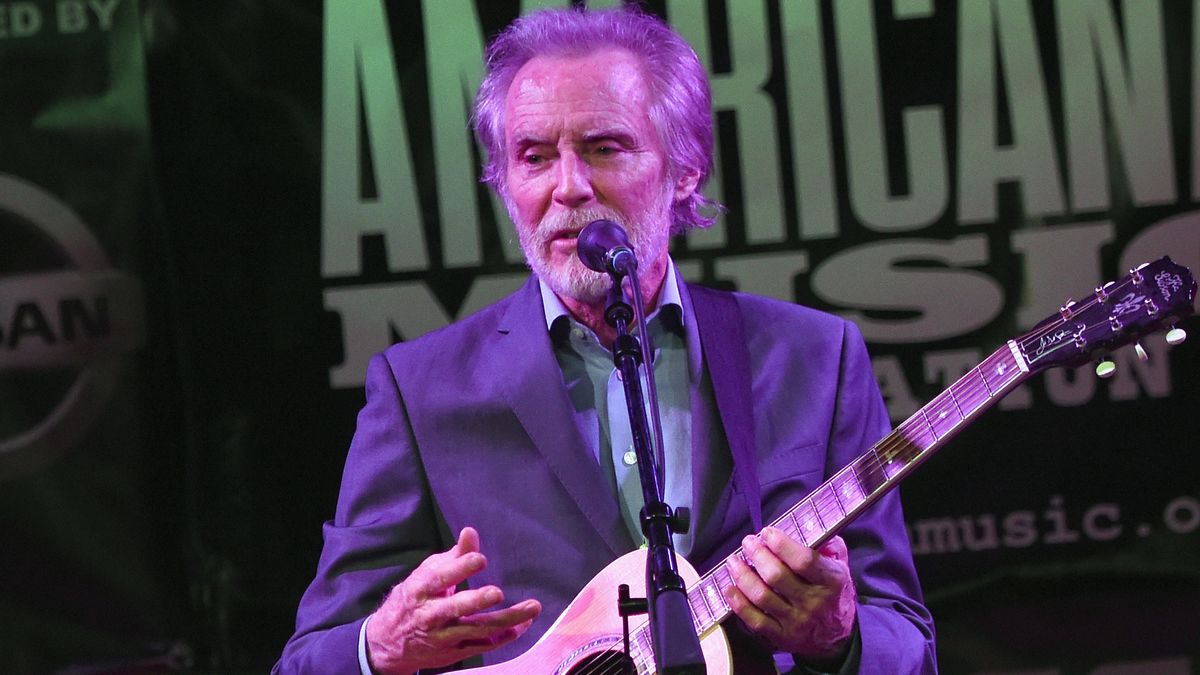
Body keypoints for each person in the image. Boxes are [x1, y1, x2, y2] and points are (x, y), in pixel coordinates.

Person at [277, 6, 935, 674]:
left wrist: (839, 636)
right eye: (533, 157)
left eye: (604, 148)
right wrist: (378, 648)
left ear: (685, 169)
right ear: (505, 184)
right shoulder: (421, 391)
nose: (568, 187)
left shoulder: (815, 359)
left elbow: (908, 641)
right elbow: (306, 659)